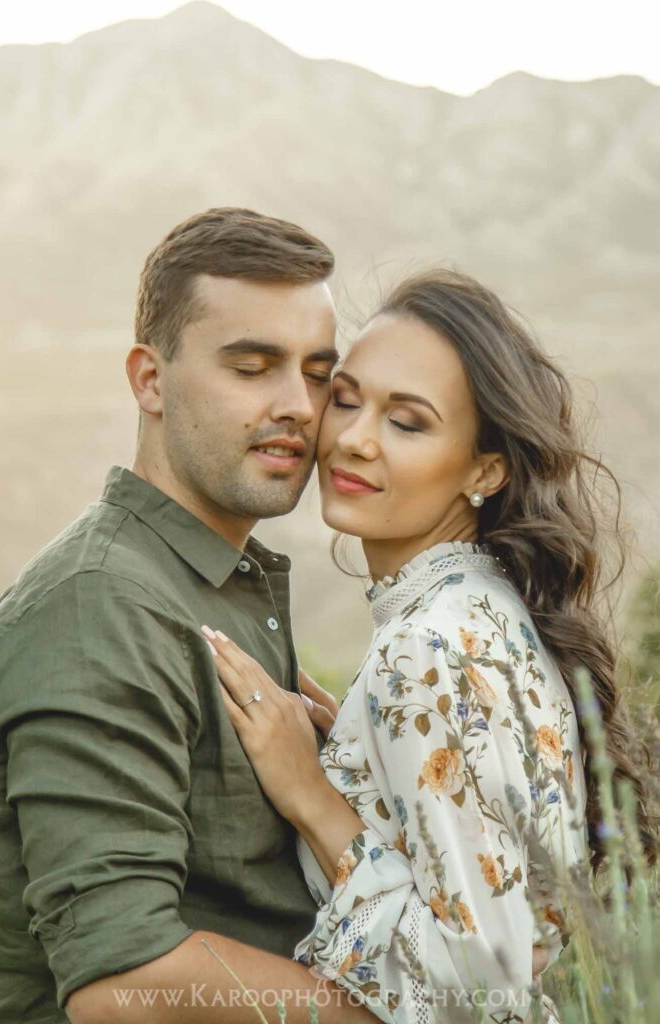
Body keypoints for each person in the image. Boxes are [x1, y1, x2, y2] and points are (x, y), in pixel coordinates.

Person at [205, 268, 657, 1023]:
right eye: (345, 400)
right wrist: (362, 752)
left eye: (407, 423)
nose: (353, 439)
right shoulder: (488, 612)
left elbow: (477, 989)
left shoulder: (426, 649)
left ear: (485, 469)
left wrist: (311, 796)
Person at [0, 207, 378, 1024]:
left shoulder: (215, 582)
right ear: (149, 380)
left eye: (316, 374)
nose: (299, 406)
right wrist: (397, 1016)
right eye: (252, 367)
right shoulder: (100, 604)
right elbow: (122, 983)